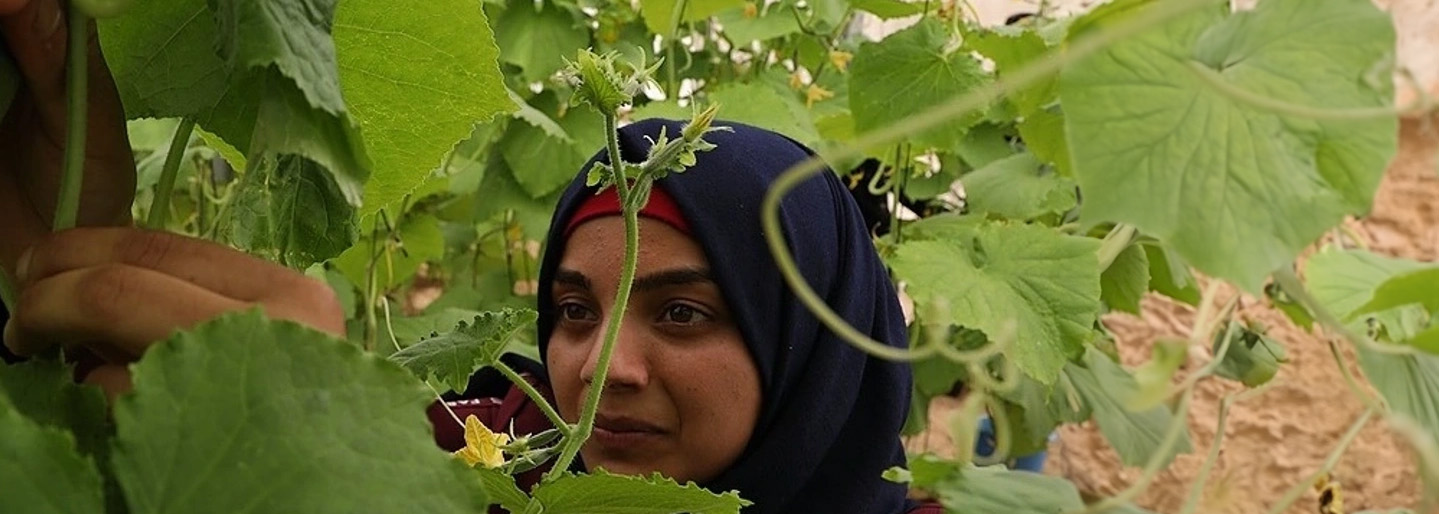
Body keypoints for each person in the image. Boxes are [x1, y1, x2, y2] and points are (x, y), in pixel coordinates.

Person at [0, 1, 941, 512]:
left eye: (682, 312)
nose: (602, 370)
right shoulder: (480, 459)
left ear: (809, 350)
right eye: (573, 311)